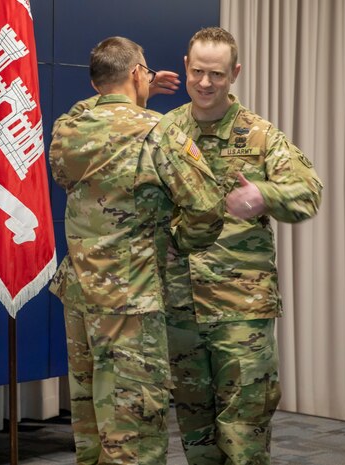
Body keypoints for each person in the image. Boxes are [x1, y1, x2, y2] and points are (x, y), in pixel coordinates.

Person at [48, 36, 225, 465]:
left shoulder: (68, 130)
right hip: (133, 301)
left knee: (90, 427)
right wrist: (174, 244)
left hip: (81, 299)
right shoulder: (160, 133)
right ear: (134, 74)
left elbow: (70, 149)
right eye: (144, 71)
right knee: (135, 433)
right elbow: (208, 208)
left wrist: (132, 89)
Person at [162, 27, 323, 465]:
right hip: (181, 307)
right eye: (197, 71)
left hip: (241, 310)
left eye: (216, 73)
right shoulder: (167, 131)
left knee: (244, 428)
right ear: (186, 66)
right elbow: (141, 202)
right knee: (195, 430)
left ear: (234, 73)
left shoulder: (259, 134)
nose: (205, 83)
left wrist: (263, 196)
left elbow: (309, 193)